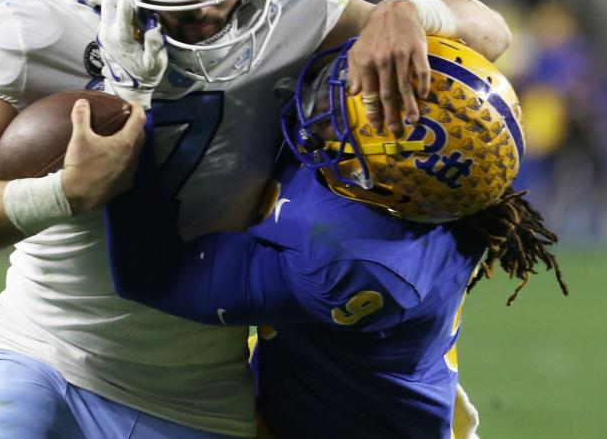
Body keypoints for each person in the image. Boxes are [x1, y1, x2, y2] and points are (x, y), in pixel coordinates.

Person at [0, 0, 512, 438]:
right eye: (184, 9)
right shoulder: (35, 25)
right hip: (42, 345)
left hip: (199, 391)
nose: (214, 19)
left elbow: (491, 37)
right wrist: (64, 193)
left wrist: (406, 10)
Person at [106, 37, 568, 438]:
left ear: (388, 180)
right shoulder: (433, 187)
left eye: (358, 111)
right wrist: (403, 10)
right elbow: (487, 27)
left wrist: (130, 129)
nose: (331, 93)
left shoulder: (359, 264)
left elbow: (155, 276)